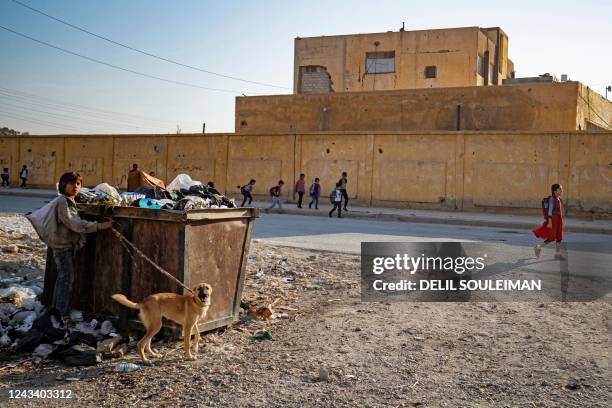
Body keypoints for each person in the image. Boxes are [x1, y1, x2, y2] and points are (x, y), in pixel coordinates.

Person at [48, 172, 112, 323]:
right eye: (72, 183)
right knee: (66, 279)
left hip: (64, 245)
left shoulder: (69, 200)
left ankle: (56, 308)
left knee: (63, 278)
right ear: (63, 185)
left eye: (78, 184)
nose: (75, 187)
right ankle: (62, 313)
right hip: (62, 247)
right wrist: (100, 226)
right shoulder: (63, 202)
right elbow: (75, 224)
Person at [533, 183, 565, 260]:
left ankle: (557, 254)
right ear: (555, 191)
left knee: (559, 237)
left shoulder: (558, 199)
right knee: (551, 237)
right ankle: (538, 247)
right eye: (559, 189)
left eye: (561, 189)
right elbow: (550, 211)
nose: (561, 190)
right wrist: (550, 222)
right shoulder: (552, 199)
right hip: (553, 220)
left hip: (558, 220)